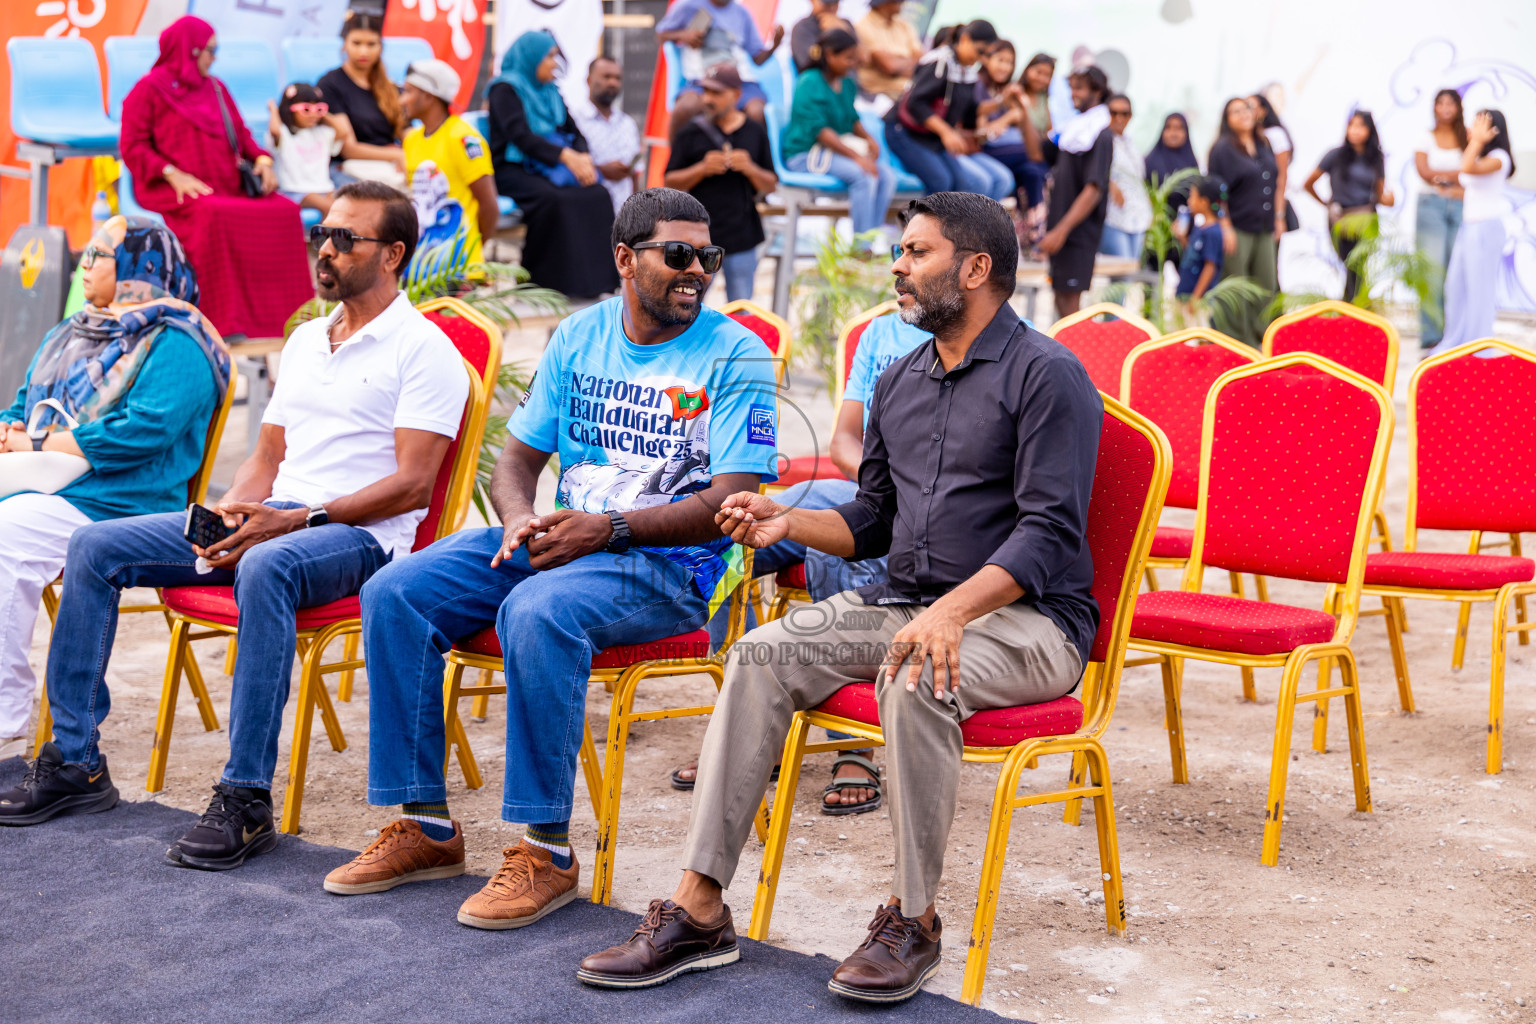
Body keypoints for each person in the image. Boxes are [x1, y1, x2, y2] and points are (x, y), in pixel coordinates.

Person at [576, 191, 1100, 1002]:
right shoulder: (900, 380)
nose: (897, 265)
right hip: (907, 603)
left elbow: (1049, 533)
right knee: (759, 654)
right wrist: (786, 521)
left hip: (1029, 623)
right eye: (902, 250)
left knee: (916, 671)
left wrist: (951, 613)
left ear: (976, 268)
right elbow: (874, 522)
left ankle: (913, 920)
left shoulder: (1049, 375)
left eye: (917, 252)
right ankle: (700, 905)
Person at [323, 189, 779, 930]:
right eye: (678, 254)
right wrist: (519, 519)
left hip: (668, 564)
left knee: (535, 611)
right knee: (396, 591)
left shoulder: (737, 356)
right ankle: (428, 829)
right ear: (626, 259)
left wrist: (606, 530)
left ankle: (545, 851)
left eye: (709, 256)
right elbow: (516, 460)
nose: (696, 269)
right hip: (564, 538)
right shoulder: (578, 335)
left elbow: (730, 501)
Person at [0, 184, 470, 869]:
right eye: (323, 236)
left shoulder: (423, 349)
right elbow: (266, 455)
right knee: (95, 545)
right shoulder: (308, 338)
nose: (327, 249)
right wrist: (233, 510)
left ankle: (245, 798)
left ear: (394, 254)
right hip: (275, 516)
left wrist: (293, 518)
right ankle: (75, 763)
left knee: (265, 565)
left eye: (347, 239)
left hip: (359, 537)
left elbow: (412, 483)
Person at [0, 217, 228, 761]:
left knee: (6, 537)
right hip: (48, 488)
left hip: (125, 503)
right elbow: (23, 401)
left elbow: (146, 431)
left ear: (138, 268)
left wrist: (44, 445)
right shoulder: (74, 329)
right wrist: (10, 429)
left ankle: (4, 709)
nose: (85, 262)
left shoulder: (179, 340)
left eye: (99, 254)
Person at [118, 15, 313, 340]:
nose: (215, 56)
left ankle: (291, 320)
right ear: (189, 50)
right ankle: (224, 321)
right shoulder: (148, 90)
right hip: (174, 189)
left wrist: (263, 160)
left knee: (285, 211)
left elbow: (241, 134)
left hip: (227, 185)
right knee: (212, 214)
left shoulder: (216, 88)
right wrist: (170, 173)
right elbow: (132, 146)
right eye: (209, 49)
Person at [489, 30, 620, 299]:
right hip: (512, 169)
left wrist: (583, 158)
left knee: (598, 194)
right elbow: (521, 137)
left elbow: (574, 132)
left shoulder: (551, 92)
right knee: (555, 200)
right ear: (531, 57)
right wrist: (566, 157)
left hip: (549, 167)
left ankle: (594, 285)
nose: (553, 63)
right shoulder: (504, 89)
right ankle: (542, 285)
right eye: (549, 57)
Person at [665, 64, 777, 302]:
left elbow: (771, 184)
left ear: (736, 95)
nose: (708, 99)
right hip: (698, 238)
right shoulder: (691, 132)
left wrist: (750, 169)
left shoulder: (754, 131)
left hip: (742, 234)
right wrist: (701, 169)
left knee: (741, 310)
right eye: (705, 92)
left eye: (716, 93)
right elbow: (670, 181)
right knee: (689, 308)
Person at [781, 29, 897, 243]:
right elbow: (821, 132)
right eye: (848, 58)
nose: (853, 63)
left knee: (887, 176)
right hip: (804, 156)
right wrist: (856, 156)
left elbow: (852, 119)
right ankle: (861, 249)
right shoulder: (809, 81)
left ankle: (871, 239)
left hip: (833, 154)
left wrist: (870, 140)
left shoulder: (846, 84)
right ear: (829, 55)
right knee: (863, 176)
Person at [883, 20, 1013, 201]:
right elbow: (916, 104)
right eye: (980, 50)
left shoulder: (966, 71)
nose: (980, 58)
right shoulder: (940, 62)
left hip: (931, 138)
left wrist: (1002, 102)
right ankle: (918, 228)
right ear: (966, 39)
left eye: (985, 54)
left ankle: (950, 230)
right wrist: (946, 132)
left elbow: (971, 112)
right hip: (903, 132)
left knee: (961, 185)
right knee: (940, 182)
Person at [1024, 64, 1113, 317]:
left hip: (1077, 232)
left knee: (1070, 308)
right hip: (1060, 230)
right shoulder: (1075, 129)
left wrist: (1061, 231)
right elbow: (1037, 153)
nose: (1074, 93)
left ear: (1097, 91)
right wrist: (1023, 110)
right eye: (1072, 87)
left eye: (1080, 88)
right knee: (1060, 299)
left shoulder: (1101, 133)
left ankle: (1074, 357)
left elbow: (1094, 189)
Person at [400, 59, 498, 269]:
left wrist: (473, 251)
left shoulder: (463, 138)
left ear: (428, 95)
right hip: (421, 263)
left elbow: (489, 206)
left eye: (408, 92)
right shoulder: (411, 140)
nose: (402, 100)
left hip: (458, 263)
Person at [1436, 110, 1514, 353]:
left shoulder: (1500, 157)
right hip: (1468, 227)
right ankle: (1454, 343)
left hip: (1487, 229)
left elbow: (1467, 168)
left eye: (1478, 124)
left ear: (1493, 130)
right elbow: (1473, 187)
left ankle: (1479, 346)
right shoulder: (1480, 155)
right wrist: (1450, 191)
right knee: (1455, 286)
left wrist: (1476, 140)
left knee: (1480, 290)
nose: (1471, 128)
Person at [657, 0, 785, 141]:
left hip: (738, 82)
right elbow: (661, 34)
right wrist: (683, 36)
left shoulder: (742, 13)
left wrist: (774, 46)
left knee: (757, 112)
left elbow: (757, 58)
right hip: (701, 81)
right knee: (684, 109)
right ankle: (675, 160)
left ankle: (757, 161)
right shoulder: (688, 6)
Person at [1206, 96, 1278, 346]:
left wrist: (1278, 217)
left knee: (1266, 284)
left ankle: (1261, 341)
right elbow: (1216, 191)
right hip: (1237, 227)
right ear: (1227, 119)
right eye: (1235, 111)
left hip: (1264, 226)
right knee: (1237, 286)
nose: (1243, 114)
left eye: (1246, 109)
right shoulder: (1222, 149)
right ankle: (1236, 342)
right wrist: (1224, 226)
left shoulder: (1263, 143)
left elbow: (1274, 182)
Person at [1304, 111, 1394, 301]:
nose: (1355, 131)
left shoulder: (1375, 158)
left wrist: (1390, 199)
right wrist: (1325, 204)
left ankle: (1354, 308)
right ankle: (1353, 306)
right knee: (1349, 265)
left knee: (1359, 267)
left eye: (1361, 126)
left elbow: (1380, 193)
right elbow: (1308, 183)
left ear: (1370, 130)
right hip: (1340, 218)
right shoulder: (1336, 155)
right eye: (1352, 125)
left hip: (1365, 217)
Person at [318, 11, 408, 188]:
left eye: (371, 44)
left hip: (390, 164)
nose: (363, 51)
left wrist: (409, 154)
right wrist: (397, 155)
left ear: (381, 46)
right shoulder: (330, 84)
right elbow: (349, 149)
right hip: (346, 169)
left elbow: (407, 132)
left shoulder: (390, 87)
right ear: (344, 44)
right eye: (356, 43)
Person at [1414, 89, 1468, 350]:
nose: (1446, 108)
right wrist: (1455, 176)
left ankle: (1456, 334)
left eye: (1451, 103)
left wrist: (1445, 178)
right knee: (1431, 273)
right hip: (1431, 208)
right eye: (1441, 103)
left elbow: (1472, 171)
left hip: (1460, 205)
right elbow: (1424, 172)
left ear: (1458, 107)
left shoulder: (1467, 137)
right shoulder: (1425, 136)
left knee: (1457, 273)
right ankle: (1431, 337)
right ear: (1434, 108)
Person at [572, 57, 642, 215]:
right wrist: (600, 170)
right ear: (589, 80)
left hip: (623, 218)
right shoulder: (574, 120)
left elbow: (634, 176)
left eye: (617, 78)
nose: (613, 83)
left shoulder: (627, 124)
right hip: (585, 213)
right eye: (606, 77)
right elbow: (565, 168)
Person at [267, 83, 344, 216]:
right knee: (331, 208)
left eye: (318, 108)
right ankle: (324, 237)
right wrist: (274, 110)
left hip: (325, 187)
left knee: (345, 206)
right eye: (306, 109)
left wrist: (323, 114)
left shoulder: (322, 133)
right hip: (295, 190)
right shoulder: (285, 134)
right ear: (289, 109)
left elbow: (343, 131)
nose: (313, 114)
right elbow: (275, 130)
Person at [973, 41, 1031, 204]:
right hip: (984, 148)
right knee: (1031, 153)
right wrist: (1010, 116)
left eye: (1010, 62)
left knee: (1033, 170)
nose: (1005, 67)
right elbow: (982, 132)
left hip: (1001, 146)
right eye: (1001, 60)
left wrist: (1017, 106)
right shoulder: (978, 86)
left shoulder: (1001, 89)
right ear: (986, 60)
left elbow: (1020, 121)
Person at [1144, 112, 1200, 267]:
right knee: (1153, 280)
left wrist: (1183, 227)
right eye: (1168, 128)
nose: (1173, 133)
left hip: (1184, 230)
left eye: (1179, 128)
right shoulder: (1150, 161)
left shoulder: (1191, 163)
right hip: (1156, 230)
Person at [1100, 93, 1153, 259]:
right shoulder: (1101, 138)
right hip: (1113, 217)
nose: (1118, 118)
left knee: (1131, 272)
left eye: (1124, 113)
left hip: (1137, 215)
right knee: (1122, 275)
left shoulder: (1130, 142)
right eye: (1113, 113)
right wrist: (1109, 183)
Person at [855, 0, 924, 104]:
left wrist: (897, 63)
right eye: (898, 1)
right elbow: (889, 66)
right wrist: (911, 62)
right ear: (884, 3)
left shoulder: (904, 25)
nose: (902, 3)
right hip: (878, 96)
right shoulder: (864, 26)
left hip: (909, 91)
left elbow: (922, 61)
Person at [1175, 176, 1225, 315]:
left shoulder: (1213, 232)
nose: (1189, 201)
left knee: (1196, 334)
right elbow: (1193, 253)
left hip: (1197, 300)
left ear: (1204, 202)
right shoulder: (1200, 227)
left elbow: (1210, 266)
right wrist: (1182, 238)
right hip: (1185, 293)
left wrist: (1195, 298)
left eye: (1192, 197)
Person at [790, 0, 855, 73]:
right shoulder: (803, 28)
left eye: (836, 3)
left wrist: (844, 30)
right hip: (818, 82)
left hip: (850, 82)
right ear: (812, 1)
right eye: (827, 3)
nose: (832, 7)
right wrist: (832, 33)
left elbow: (863, 58)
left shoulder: (845, 24)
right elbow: (811, 64)